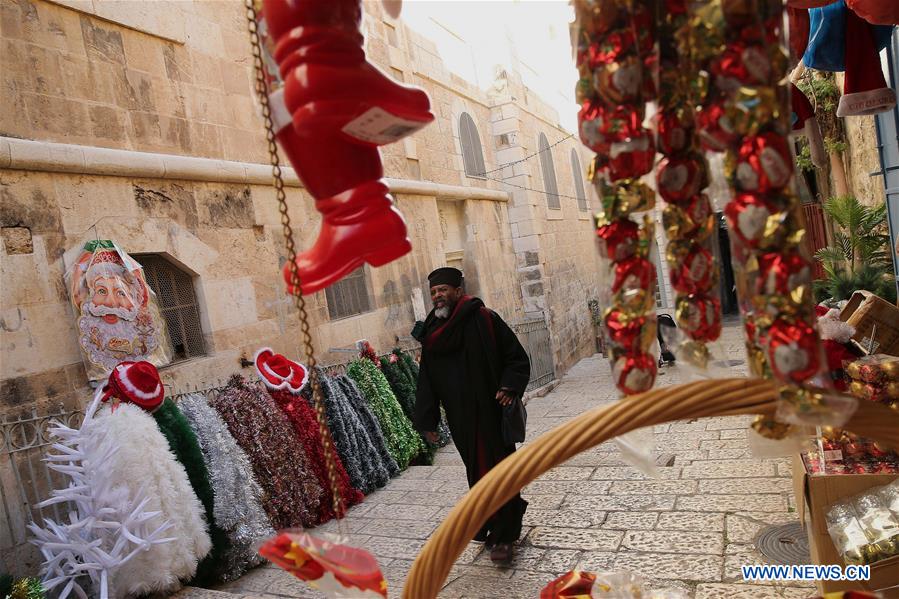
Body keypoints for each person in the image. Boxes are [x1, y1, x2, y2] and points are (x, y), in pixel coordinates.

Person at [413, 267, 531, 564]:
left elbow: (515, 356)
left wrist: (509, 385)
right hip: (461, 419)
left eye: (442, 290)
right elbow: (426, 379)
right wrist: (427, 422)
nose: (438, 296)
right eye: (433, 292)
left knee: (500, 471)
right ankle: (491, 523)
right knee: (477, 472)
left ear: (457, 291)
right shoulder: (432, 332)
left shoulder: (483, 318)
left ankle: (504, 535)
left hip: (490, 413)